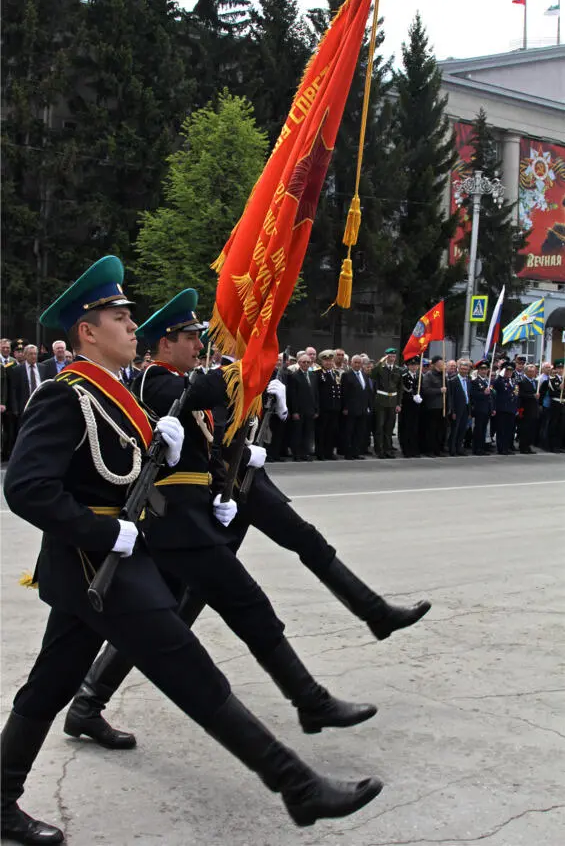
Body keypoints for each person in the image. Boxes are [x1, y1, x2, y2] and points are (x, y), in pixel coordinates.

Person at [1, 259, 382, 845]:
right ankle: (298, 787)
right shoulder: (64, 395)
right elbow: (26, 488)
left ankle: (0, 798)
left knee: (52, 683)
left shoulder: (113, 394)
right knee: (190, 669)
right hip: (97, 563)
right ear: (87, 331)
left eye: (130, 317)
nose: (133, 327)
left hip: (105, 565)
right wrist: (106, 534)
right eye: (120, 318)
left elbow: (122, 473)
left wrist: (165, 445)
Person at [64, 288, 376, 747]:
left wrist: (234, 466)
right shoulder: (155, 379)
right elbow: (206, 390)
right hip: (172, 519)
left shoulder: (182, 382)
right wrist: (254, 358)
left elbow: (213, 428)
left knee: (162, 619)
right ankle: (309, 700)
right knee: (244, 601)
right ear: (164, 343)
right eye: (190, 337)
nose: (198, 345)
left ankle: (87, 703)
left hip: (194, 515)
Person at [371, 349, 402, 459]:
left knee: (389, 428)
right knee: (380, 426)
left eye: (393, 356)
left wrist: (399, 403)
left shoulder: (398, 369)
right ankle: (379, 450)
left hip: (392, 401)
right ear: (385, 357)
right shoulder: (380, 368)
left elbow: (400, 388)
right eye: (389, 356)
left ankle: (388, 449)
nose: (391, 359)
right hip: (381, 400)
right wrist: (380, 362)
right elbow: (372, 375)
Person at [287, 352, 319, 461]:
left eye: (308, 362)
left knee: (307, 433)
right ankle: (297, 454)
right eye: (303, 362)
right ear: (299, 363)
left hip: (310, 410)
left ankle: (305, 453)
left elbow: (316, 394)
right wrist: (294, 411)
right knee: (297, 433)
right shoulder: (294, 376)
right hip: (299, 410)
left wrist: (316, 409)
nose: (306, 364)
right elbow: (293, 395)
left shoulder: (313, 376)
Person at [340, 355, 369, 460]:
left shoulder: (364, 375)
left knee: (359, 431)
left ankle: (356, 452)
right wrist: (345, 407)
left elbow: (366, 392)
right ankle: (348, 453)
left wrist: (368, 406)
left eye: (359, 363)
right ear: (351, 363)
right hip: (351, 409)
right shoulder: (346, 375)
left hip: (362, 409)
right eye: (355, 362)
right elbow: (344, 392)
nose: (357, 364)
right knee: (349, 432)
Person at [315, 350, 340, 460]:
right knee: (322, 432)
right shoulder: (317, 374)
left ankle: (329, 452)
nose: (328, 363)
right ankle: (320, 453)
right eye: (326, 361)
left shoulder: (335, 373)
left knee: (332, 431)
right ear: (322, 362)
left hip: (334, 408)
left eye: (330, 361)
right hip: (323, 408)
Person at [422, 356, 447, 456]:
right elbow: (426, 390)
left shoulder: (443, 375)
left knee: (440, 430)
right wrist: (439, 391)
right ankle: (430, 450)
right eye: (441, 362)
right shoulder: (429, 375)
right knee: (431, 429)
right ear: (436, 364)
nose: (443, 364)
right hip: (432, 406)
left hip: (442, 406)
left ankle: (438, 449)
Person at [10, 344, 42, 420]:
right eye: (31, 354)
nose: (33, 356)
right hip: (25, 405)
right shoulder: (17, 370)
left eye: (35, 354)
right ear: (25, 355)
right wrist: (15, 409)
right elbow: (14, 390)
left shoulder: (43, 367)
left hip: (40, 403)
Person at [398, 357, 422, 458]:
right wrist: (411, 397)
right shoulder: (404, 376)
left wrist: (420, 397)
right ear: (408, 366)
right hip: (406, 405)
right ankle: (406, 449)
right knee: (406, 427)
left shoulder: (419, 376)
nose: (414, 367)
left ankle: (413, 448)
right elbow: (401, 391)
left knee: (414, 427)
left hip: (416, 406)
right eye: (412, 365)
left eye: (416, 365)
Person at [447, 359, 471, 456]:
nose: (464, 371)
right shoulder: (453, 380)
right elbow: (451, 397)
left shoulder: (468, 381)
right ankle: (452, 449)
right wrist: (452, 411)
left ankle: (459, 448)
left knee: (462, 429)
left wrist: (469, 411)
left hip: (465, 408)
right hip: (456, 409)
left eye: (466, 369)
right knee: (455, 430)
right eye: (462, 369)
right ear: (458, 369)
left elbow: (469, 396)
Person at [493, 362, 518, 455]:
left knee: (509, 430)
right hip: (502, 409)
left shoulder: (514, 381)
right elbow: (495, 385)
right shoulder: (500, 381)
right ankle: (501, 448)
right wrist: (500, 375)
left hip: (511, 409)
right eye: (507, 371)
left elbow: (516, 395)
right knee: (501, 430)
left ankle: (506, 447)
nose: (509, 372)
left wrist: (516, 408)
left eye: (511, 371)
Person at [470, 361, 493, 455]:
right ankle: (477, 448)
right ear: (478, 370)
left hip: (487, 409)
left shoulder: (488, 381)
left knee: (484, 429)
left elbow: (491, 397)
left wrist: (492, 408)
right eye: (482, 369)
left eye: (485, 369)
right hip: (479, 408)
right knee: (478, 429)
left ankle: (482, 447)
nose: (484, 371)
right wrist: (483, 393)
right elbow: (473, 395)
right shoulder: (475, 381)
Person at [541, 359, 565, 452]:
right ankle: (552, 446)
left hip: (563, 403)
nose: (560, 370)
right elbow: (552, 392)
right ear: (556, 369)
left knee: (561, 426)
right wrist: (560, 388)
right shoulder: (552, 379)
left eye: (562, 368)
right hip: (555, 403)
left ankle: (559, 445)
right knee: (553, 424)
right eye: (558, 368)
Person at [517, 363, 539, 454]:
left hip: (534, 408)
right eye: (529, 371)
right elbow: (520, 394)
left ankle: (529, 445)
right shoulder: (522, 381)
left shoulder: (536, 382)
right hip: (525, 408)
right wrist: (532, 396)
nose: (531, 373)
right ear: (525, 372)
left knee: (531, 428)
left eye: (533, 371)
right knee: (524, 428)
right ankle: (523, 447)